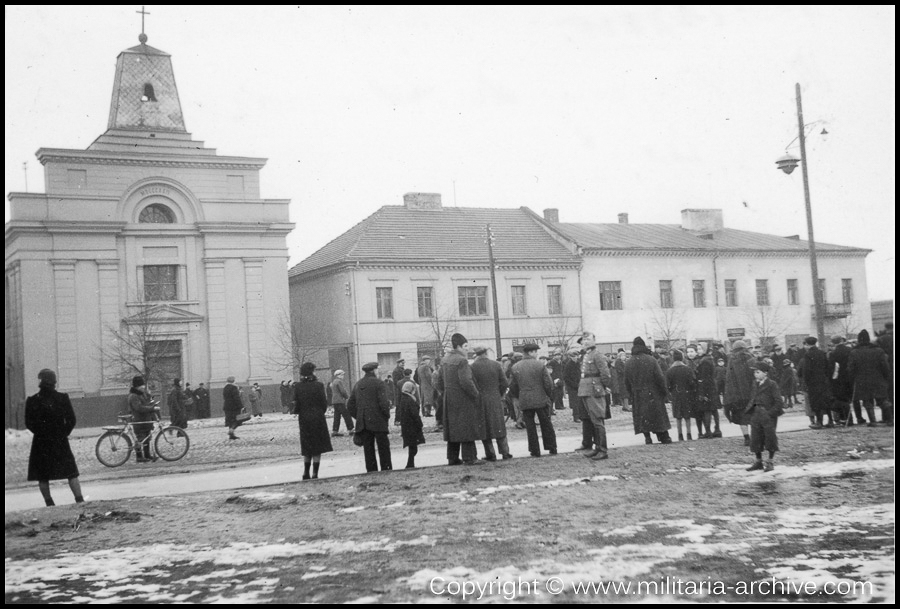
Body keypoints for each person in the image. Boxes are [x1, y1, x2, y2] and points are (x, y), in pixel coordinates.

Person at [25, 369, 85, 506]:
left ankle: (49, 503)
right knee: (71, 472)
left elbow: (29, 423)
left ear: (40, 382)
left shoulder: (32, 400)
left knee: (42, 475)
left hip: (41, 443)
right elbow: (71, 420)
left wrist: (41, 433)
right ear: (54, 382)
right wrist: (63, 433)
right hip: (60, 441)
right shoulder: (62, 398)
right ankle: (79, 499)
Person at [435, 333, 486, 465]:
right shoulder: (462, 361)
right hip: (463, 399)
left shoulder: (445, 359)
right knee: (467, 427)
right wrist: (476, 394)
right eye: (465, 346)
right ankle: (470, 457)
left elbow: (438, 381)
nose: (467, 349)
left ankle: (452, 458)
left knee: (453, 428)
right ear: (458, 346)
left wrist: (446, 392)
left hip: (449, 399)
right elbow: (466, 381)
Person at [510, 343, 558, 458]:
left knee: (530, 426)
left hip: (525, 399)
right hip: (540, 398)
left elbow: (513, 386)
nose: (537, 354)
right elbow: (548, 383)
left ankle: (534, 450)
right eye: (536, 351)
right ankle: (551, 447)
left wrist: (520, 395)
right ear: (531, 352)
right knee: (546, 424)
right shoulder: (540, 365)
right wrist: (548, 395)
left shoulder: (515, 367)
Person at [625, 337, 673, 445]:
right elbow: (659, 377)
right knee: (657, 416)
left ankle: (647, 438)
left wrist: (631, 394)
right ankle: (663, 437)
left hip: (637, 394)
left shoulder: (628, 363)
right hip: (653, 393)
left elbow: (626, 382)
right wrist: (664, 392)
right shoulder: (651, 360)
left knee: (643, 417)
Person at [348, 362, 393, 472]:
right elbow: (383, 403)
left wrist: (359, 416)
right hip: (378, 421)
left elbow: (350, 405)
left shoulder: (358, 384)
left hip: (363, 422)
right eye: (377, 369)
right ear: (374, 370)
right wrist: (386, 416)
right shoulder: (379, 383)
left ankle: (371, 471)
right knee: (383, 448)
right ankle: (386, 470)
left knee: (368, 450)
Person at [573, 332, 611, 459]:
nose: (585, 342)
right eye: (584, 340)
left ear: (594, 341)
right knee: (593, 421)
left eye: (588, 339)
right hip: (585, 389)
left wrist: (602, 387)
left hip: (594, 390)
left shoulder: (597, 355)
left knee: (598, 420)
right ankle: (597, 448)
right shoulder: (587, 355)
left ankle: (602, 449)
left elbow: (605, 374)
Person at [471, 346, 512, 461]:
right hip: (495, 398)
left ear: (476, 354)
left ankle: (490, 454)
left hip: (480, 400)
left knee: (485, 427)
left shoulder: (473, 367)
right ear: (486, 353)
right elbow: (504, 382)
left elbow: (472, 384)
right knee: (499, 425)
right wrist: (499, 394)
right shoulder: (496, 365)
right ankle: (505, 452)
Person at [293, 362, 333, 479]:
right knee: (317, 447)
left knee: (307, 446)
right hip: (317, 418)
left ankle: (306, 472)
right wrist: (319, 412)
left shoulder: (298, 386)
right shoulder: (319, 385)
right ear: (312, 372)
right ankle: (315, 473)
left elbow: (296, 404)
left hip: (304, 419)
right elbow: (323, 403)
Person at [745, 361, 784, 472]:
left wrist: (770, 413)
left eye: (758, 372)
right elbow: (752, 398)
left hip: (768, 416)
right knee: (756, 438)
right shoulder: (754, 383)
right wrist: (750, 410)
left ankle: (770, 462)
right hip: (756, 414)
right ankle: (758, 462)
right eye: (754, 372)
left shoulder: (772, 384)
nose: (755, 374)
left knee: (770, 438)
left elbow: (778, 401)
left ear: (765, 373)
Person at [848, 329, 893, 426]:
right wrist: (885, 377)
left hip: (862, 380)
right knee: (883, 400)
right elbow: (885, 366)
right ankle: (890, 420)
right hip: (878, 379)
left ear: (859, 340)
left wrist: (853, 379)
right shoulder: (879, 350)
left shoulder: (854, 352)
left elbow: (851, 369)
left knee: (867, 401)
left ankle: (873, 421)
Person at [798, 336, 834, 429]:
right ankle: (831, 420)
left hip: (813, 382)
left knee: (816, 402)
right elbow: (828, 367)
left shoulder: (808, 355)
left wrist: (807, 382)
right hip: (823, 381)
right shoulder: (822, 353)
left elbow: (806, 371)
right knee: (826, 401)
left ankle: (819, 422)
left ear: (807, 344)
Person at [724, 340, 755, 446]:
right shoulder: (751, 359)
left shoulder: (731, 360)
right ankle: (755, 437)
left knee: (742, 417)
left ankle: (747, 438)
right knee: (753, 416)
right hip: (750, 394)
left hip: (737, 396)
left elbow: (728, 379)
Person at [666, 350, 697, 441]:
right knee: (687, 416)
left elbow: (668, 385)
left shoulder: (670, 371)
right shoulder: (687, 369)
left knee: (678, 416)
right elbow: (692, 383)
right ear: (682, 358)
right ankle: (689, 434)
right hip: (686, 394)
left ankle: (680, 435)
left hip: (676, 395)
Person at [127, 375, 159, 462]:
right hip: (139, 420)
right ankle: (139, 457)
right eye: (142, 385)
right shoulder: (133, 396)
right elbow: (139, 408)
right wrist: (151, 408)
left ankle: (147, 455)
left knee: (147, 437)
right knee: (140, 438)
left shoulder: (141, 394)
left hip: (144, 420)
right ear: (137, 386)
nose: (144, 387)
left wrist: (149, 396)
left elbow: (147, 403)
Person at [695, 344, 723, 438]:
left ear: (705, 350)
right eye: (697, 349)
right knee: (714, 410)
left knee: (707, 410)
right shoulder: (709, 359)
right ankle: (717, 429)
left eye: (700, 349)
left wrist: (702, 393)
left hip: (707, 388)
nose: (698, 351)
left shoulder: (704, 361)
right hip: (713, 387)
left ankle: (708, 431)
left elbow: (704, 378)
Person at [397, 380, 425, 468]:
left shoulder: (403, 398)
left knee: (412, 446)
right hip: (412, 426)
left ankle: (410, 463)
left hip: (407, 426)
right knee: (413, 447)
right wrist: (420, 424)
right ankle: (410, 464)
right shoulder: (410, 399)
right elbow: (414, 414)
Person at [828, 335, 854, 426]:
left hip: (839, 379)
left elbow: (832, 368)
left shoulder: (833, 353)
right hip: (850, 377)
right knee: (848, 399)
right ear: (841, 341)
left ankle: (846, 418)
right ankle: (849, 418)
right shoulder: (850, 350)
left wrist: (832, 379)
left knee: (841, 399)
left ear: (833, 342)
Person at [329, 370, 354, 436]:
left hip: (335, 401)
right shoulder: (339, 381)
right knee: (347, 415)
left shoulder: (334, 382)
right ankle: (351, 429)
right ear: (338, 375)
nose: (343, 376)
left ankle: (335, 430)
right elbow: (342, 391)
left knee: (337, 416)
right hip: (340, 401)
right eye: (342, 375)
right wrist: (347, 397)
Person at [563, 348, 583, 424]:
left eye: (577, 356)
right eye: (574, 356)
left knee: (580, 402)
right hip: (572, 387)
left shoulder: (577, 364)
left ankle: (580, 415)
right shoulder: (568, 365)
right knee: (575, 402)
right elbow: (566, 377)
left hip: (578, 385)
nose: (576, 357)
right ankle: (576, 417)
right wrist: (573, 385)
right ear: (571, 357)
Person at [223, 376, 244, 440]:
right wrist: (241, 406)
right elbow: (236, 398)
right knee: (237, 420)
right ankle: (231, 430)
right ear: (233, 381)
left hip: (227, 406)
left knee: (230, 420)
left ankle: (231, 435)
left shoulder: (225, 387)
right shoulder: (234, 388)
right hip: (234, 407)